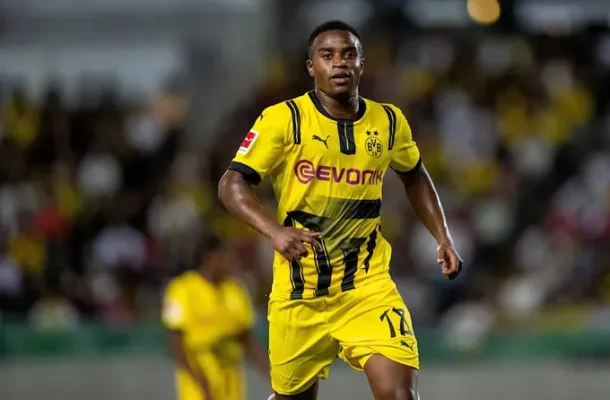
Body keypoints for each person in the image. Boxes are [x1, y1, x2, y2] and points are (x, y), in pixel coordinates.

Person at [218, 20, 463, 400]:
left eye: (349, 54)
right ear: (311, 66)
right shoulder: (284, 119)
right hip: (300, 292)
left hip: (367, 287)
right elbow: (231, 184)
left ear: (362, 63)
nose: (339, 63)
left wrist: (443, 237)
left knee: (399, 395)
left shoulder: (389, 121)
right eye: (327, 55)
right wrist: (275, 231)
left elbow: (414, 175)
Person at [162, 235, 269, 400]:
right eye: (225, 256)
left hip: (230, 375)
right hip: (199, 373)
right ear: (209, 258)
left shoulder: (235, 290)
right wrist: (201, 383)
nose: (232, 261)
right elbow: (176, 344)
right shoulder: (182, 289)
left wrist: (273, 376)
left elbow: (246, 340)